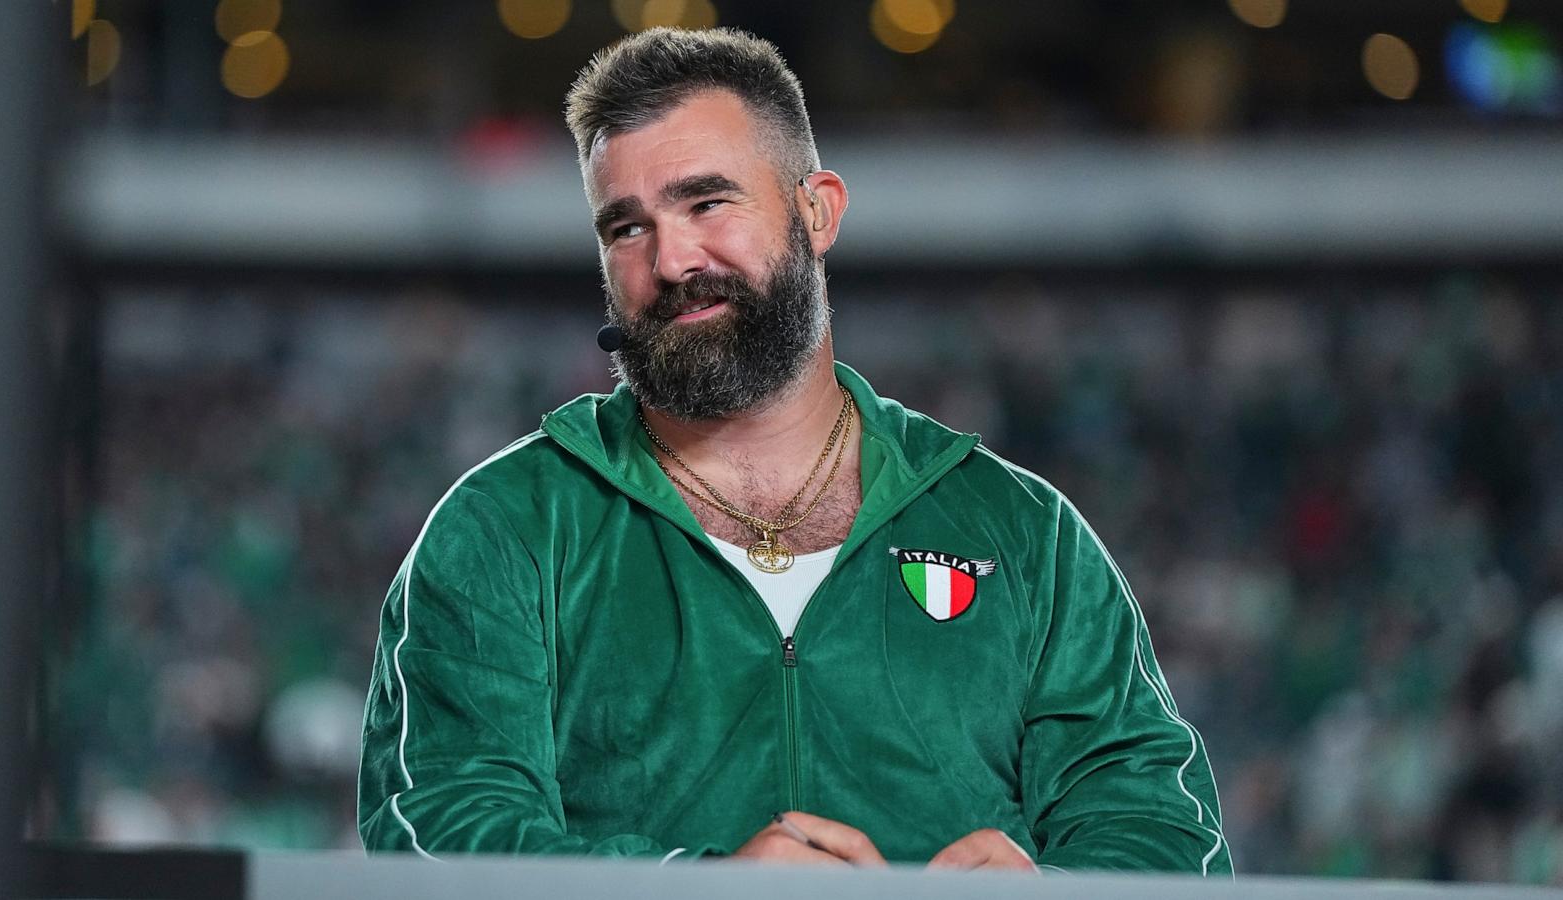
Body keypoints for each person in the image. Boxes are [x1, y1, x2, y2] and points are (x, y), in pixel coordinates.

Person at [358, 27, 1230, 874]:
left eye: (707, 202)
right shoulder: (508, 526)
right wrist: (699, 887)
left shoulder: (1022, 532)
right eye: (625, 228)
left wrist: (1053, 895)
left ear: (817, 212)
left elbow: (1164, 835)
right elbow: (440, 829)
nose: (671, 258)